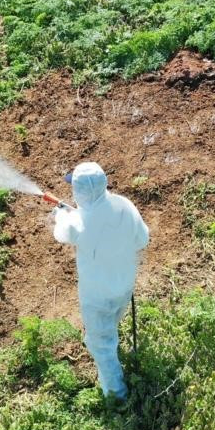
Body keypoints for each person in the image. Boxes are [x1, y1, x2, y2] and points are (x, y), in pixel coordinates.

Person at [52, 162, 149, 400]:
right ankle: (108, 337)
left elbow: (60, 233)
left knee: (101, 345)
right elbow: (142, 240)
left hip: (97, 297)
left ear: (79, 192)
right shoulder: (124, 205)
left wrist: (61, 215)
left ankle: (117, 397)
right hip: (125, 286)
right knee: (112, 321)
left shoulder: (75, 223)